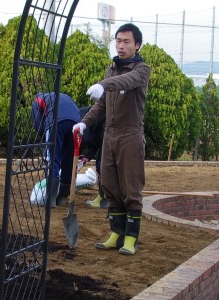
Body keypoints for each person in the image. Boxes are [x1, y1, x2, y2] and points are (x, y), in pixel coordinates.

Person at [73, 23, 150, 256]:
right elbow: (102, 104)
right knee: (110, 185)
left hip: (130, 134)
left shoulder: (141, 69)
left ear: (137, 45)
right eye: (118, 41)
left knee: (131, 187)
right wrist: (85, 122)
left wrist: (103, 85)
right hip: (110, 134)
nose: (121, 45)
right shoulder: (111, 69)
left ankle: (130, 238)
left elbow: (126, 82)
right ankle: (116, 233)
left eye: (126, 41)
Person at [30, 92, 80, 206]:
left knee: (52, 159)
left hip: (56, 122)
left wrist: (46, 138)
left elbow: (37, 123)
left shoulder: (37, 100)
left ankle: (51, 199)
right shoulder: (66, 97)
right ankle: (62, 197)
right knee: (69, 160)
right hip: (76, 123)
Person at [78, 105, 108, 208]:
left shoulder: (82, 118)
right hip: (108, 136)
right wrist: (83, 160)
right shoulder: (91, 117)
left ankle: (102, 200)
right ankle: (105, 198)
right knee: (104, 166)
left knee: (102, 166)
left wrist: (76, 155)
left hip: (108, 136)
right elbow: (93, 144)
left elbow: (85, 139)